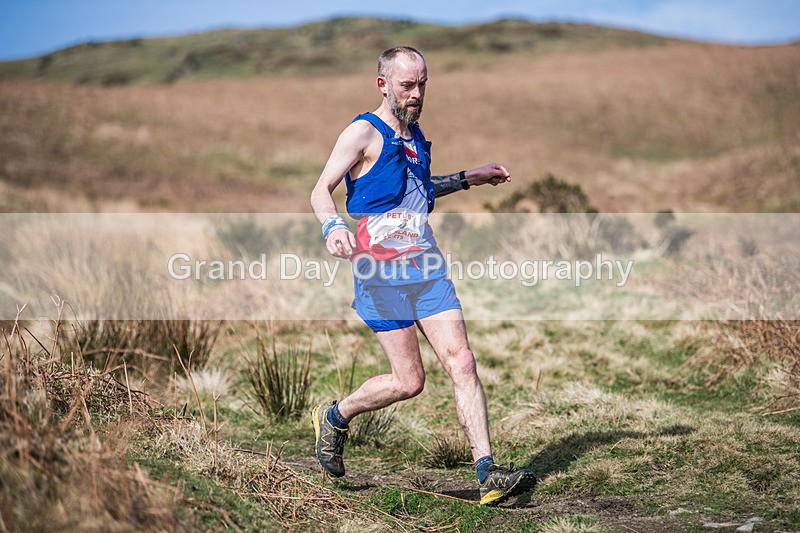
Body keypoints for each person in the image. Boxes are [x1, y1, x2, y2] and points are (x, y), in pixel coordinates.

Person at [309, 46, 535, 506]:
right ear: (383, 85)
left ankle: (488, 474)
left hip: (426, 267)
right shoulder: (362, 132)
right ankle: (334, 416)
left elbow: (418, 191)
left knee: (462, 361)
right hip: (379, 273)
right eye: (407, 85)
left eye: (422, 85)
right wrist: (333, 228)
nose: (416, 94)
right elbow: (320, 190)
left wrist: (470, 178)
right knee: (409, 381)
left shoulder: (415, 137)